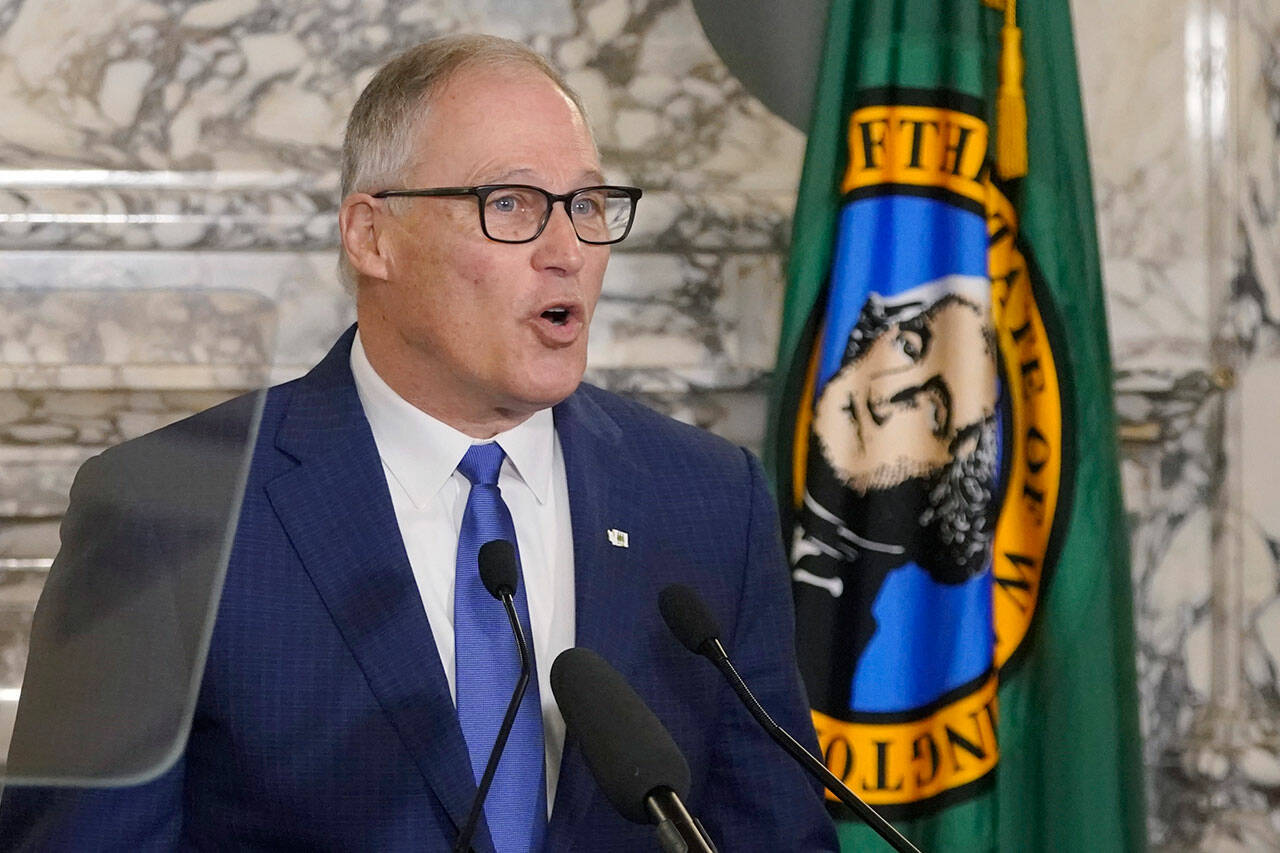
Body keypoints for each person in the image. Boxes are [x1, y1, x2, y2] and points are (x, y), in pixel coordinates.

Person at [0, 34, 836, 851]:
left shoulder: (706, 497)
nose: (568, 251)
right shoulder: (167, 507)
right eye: (510, 203)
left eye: (585, 205)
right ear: (372, 236)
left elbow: (773, 830)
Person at [791, 276, 999, 713]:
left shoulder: (879, 640)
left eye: (933, 410)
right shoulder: (725, 504)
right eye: (909, 345)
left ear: (946, 474)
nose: (886, 393)